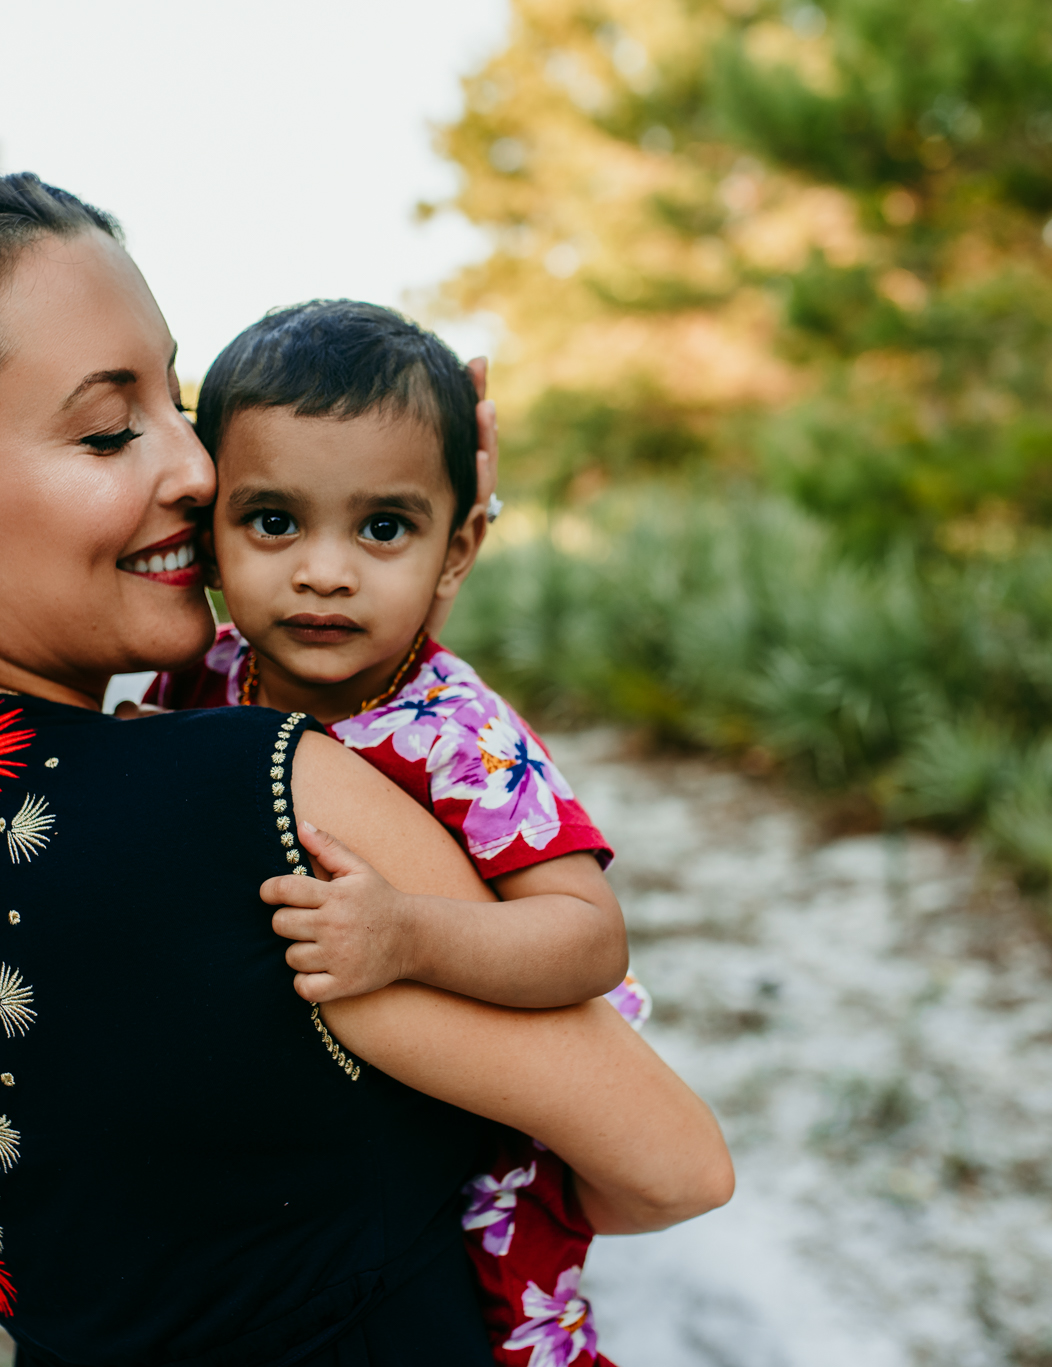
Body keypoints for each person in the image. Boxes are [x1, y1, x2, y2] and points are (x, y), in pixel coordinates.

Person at [0, 170, 733, 1366]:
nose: (195, 469)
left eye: (177, 405)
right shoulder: (255, 798)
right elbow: (675, 1165)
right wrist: (404, 568)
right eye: (107, 429)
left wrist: (388, 553)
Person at [146, 299, 649, 1362]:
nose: (325, 571)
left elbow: (588, 933)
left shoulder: (455, 735)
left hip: (466, 1140)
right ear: (207, 534)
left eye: (383, 528)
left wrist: (408, 933)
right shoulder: (205, 675)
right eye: (273, 521)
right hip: (288, 1150)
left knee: (502, 1327)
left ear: (455, 549)